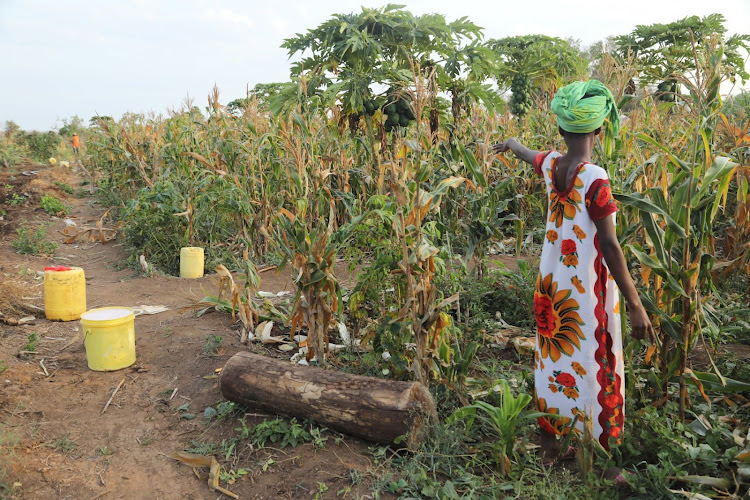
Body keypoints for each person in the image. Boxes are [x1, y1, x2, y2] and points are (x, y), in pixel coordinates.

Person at [493, 80, 653, 464]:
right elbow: (610, 246)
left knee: (556, 357)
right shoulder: (595, 177)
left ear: (562, 129)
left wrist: (509, 143)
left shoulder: (552, 164)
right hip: (585, 291)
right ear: (599, 130)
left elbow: (525, 153)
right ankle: (598, 446)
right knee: (597, 359)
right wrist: (635, 304)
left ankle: (554, 437)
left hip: (552, 287)